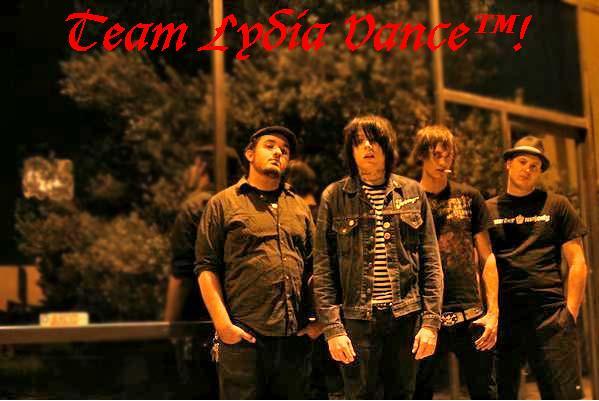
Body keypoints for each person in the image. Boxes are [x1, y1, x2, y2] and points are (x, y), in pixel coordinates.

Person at [313, 115, 443, 399]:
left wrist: (431, 323)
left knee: (403, 394)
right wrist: (333, 329)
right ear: (350, 151)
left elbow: (432, 262)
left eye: (374, 140)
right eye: (359, 142)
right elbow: (322, 268)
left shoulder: (412, 192)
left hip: (406, 317)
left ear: (387, 147)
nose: (367, 146)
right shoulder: (334, 196)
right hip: (357, 319)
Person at [194, 126, 320, 399]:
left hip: (294, 341)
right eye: (270, 145)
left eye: (284, 151)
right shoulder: (222, 204)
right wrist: (223, 326)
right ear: (250, 154)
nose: (278, 153)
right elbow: (206, 267)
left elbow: (316, 269)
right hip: (244, 339)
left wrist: (320, 323)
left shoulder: (300, 207)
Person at [486, 136, 588, 399]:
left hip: (550, 317)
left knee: (563, 395)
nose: (528, 169)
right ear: (508, 163)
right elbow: (482, 264)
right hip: (505, 318)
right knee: (500, 394)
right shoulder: (488, 210)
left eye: (535, 166)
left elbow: (578, 262)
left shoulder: (557, 205)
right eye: (522, 162)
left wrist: (570, 314)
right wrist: (489, 312)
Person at [410, 125, 498, 399]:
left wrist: (493, 312)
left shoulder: (469, 197)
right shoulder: (407, 198)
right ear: (421, 155)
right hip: (424, 315)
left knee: (485, 391)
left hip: (470, 313)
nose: (443, 161)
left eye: (448, 155)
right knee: (417, 392)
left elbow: (487, 257)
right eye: (436, 154)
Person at [164, 146, 242, 398]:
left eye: (193, 165)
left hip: (198, 317)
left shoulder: (195, 206)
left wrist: (169, 324)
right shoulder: (242, 204)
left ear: (202, 169)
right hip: (242, 317)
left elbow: (182, 272)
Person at [285, 160, 345, 400]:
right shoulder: (327, 213)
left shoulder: (300, 215)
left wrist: (318, 325)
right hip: (331, 325)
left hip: (310, 326)